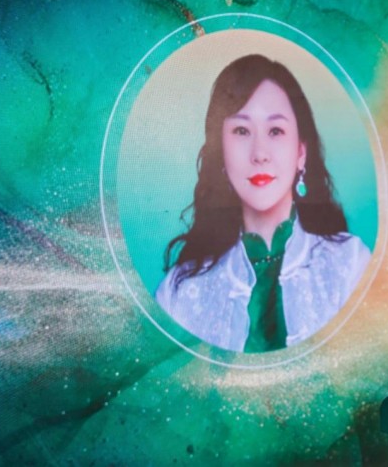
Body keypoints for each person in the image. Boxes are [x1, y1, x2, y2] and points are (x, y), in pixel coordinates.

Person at [156, 54, 371, 353]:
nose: (259, 154)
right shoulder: (180, 293)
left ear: (301, 153)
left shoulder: (350, 265)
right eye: (242, 131)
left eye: (275, 131)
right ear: (221, 154)